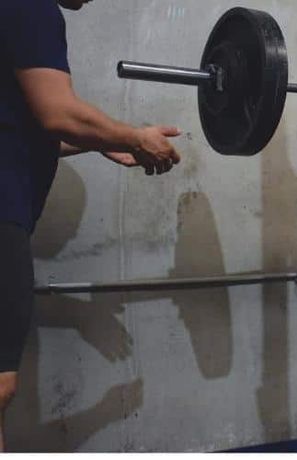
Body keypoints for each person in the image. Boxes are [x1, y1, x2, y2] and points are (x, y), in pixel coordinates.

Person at [0, 0, 181, 450]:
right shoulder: (32, 7)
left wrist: (102, 142)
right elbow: (58, 113)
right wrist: (133, 136)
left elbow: (25, 128)